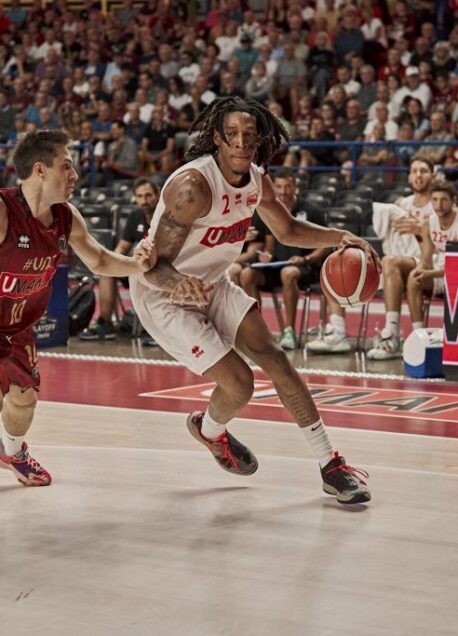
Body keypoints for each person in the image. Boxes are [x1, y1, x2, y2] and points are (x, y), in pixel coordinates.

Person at [0, 129, 155, 545]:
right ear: (40, 170)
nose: (74, 173)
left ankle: (11, 451)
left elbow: (98, 259)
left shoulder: (65, 216)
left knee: (23, 401)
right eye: (67, 164)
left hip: (16, 328)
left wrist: (138, 265)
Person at [129, 96, 374, 504]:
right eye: (232, 136)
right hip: (165, 296)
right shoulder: (193, 188)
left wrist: (339, 237)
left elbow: (288, 230)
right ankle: (210, 432)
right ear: (217, 140)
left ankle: (331, 465)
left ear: (259, 140)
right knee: (240, 384)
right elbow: (152, 265)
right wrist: (176, 283)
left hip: (212, 283)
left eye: (249, 136)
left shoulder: (257, 180)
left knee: (276, 358)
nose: (241, 143)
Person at [371, 180, 458, 357]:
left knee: (418, 276)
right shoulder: (429, 222)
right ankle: (418, 337)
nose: (439, 205)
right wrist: (422, 270)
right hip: (443, 272)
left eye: (444, 200)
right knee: (411, 275)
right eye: (435, 200)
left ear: (454, 200)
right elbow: (426, 259)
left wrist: (430, 272)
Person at [239, 170, 329, 351]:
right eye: (279, 186)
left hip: (303, 268)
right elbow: (270, 245)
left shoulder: (312, 210)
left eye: (288, 186)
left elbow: (326, 245)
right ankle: (259, 330)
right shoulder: (270, 212)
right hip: (275, 267)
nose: (283, 191)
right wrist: (266, 256)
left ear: (295, 187)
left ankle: (289, 331)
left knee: (288, 273)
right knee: (247, 274)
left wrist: (306, 258)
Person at [362, 159, 436, 360]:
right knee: (387, 262)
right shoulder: (401, 204)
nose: (419, 175)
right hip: (404, 260)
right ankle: (393, 334)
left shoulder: (438, 203)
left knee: (390, 262)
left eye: (424, 171)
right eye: (414, 171)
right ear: (409, 177)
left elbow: (448, 241)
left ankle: (392, 333)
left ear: (433, 176)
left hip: (433, 263)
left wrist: (421, 231)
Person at [79, 177, 159, 340]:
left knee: (153, 274)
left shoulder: (165, 216)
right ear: (135, 198)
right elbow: (122, 247)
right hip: (136, 267)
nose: (144, 200)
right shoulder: (134, 216)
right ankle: (105, 323)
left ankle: (156, 329)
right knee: (107, 272)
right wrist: (113, 262)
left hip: (158, 268)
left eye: (148, 195)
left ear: (157, 195)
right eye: (140, 196)